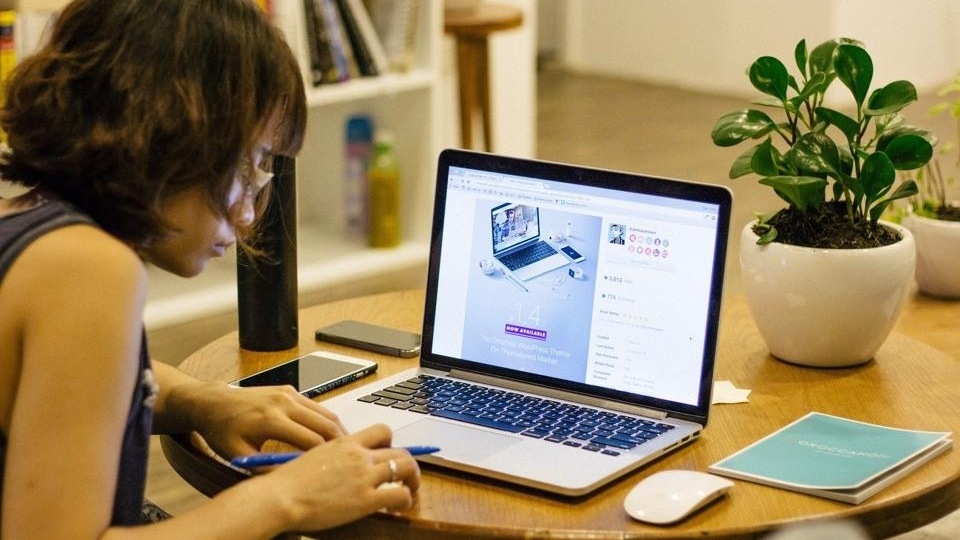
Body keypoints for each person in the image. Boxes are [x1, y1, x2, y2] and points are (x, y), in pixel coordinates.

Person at [0, 0, 420, 538]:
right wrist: (287, 498)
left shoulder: (28, 223)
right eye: (248, 165)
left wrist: (200, 402)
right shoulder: (91, 270)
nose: (248, 212)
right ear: (176, 135)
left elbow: (66, 402)